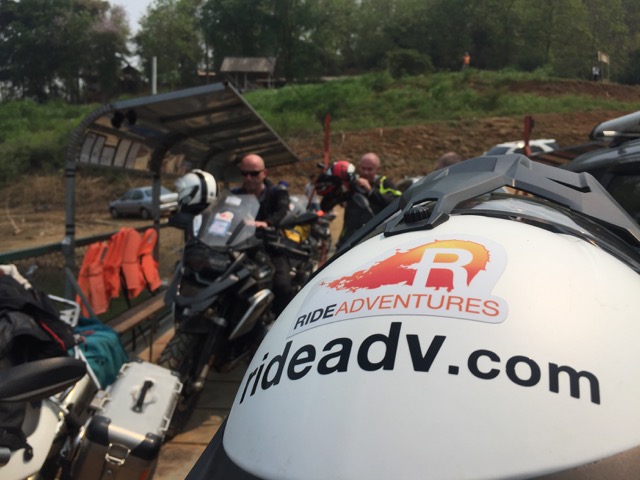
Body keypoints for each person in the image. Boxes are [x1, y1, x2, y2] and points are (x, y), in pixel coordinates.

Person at [231, 153, 293, 316]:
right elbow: (223, 213)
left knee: (282, 286)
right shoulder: (235, 195)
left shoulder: (277, 193)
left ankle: (281, 324)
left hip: (270, 246)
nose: (249, 178)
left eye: (254, 173)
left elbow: (282, 211)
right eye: (245, 173)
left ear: (264, 173)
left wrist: (267, 223)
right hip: (240, 249)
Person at [319, 153, 400, 249]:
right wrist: (336, 189)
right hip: (347, 240)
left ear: (378, 169)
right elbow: (325, 206)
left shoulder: (384, 183)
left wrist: (371, 191)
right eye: (363, 168)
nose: (365, 172)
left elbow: (397, 202)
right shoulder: (352, 184)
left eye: (370, 169)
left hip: (374, 239)